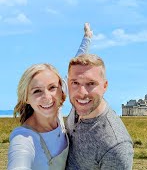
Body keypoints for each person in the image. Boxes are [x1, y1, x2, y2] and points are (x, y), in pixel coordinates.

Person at [7, 23, 92, 170]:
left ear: (61, 90)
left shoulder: (56, 110)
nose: (47, 97)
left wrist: (87, 38)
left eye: (52, 87)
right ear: (26, 98)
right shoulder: (23, 139)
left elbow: (77, 63)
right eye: (37, 91)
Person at [65, 54, 134, 169]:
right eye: (75, 83)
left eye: (91, 83)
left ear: (105, 86)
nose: (82, 93)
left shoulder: (115, 146)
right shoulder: (78, 106)